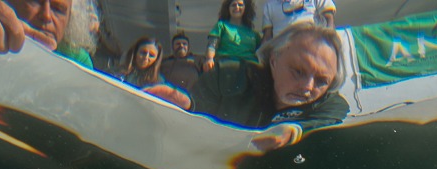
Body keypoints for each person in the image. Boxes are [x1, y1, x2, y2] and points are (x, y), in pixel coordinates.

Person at [147, 22, 348, 152]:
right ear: (274, 59)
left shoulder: (329, 105)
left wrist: (294, 131)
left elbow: (337, 111)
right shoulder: (228, 76)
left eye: (321, 81)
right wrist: (188, 107)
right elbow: (196, 120)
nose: (307, 87)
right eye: (298, 71)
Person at [0, 0, 98, 68]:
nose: (46, 15)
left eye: (58, 9)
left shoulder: (78, 60)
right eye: (34, 1)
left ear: (70, 20)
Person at [204, 0, 261, 71]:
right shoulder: (221, 25)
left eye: (240, 5)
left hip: (248, 69)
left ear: (246, 8)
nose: (237, 7)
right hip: (226, 66)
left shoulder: (253, 33)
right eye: (233, 5)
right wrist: (209, 59)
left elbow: (261, 52)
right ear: (228, 8)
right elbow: (212, 45)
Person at [261, 0, 336, 42]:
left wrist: (328, 41)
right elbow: (267, 37)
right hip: (282, 53)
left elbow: (329, 19)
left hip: (312, 46)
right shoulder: (269, 6)